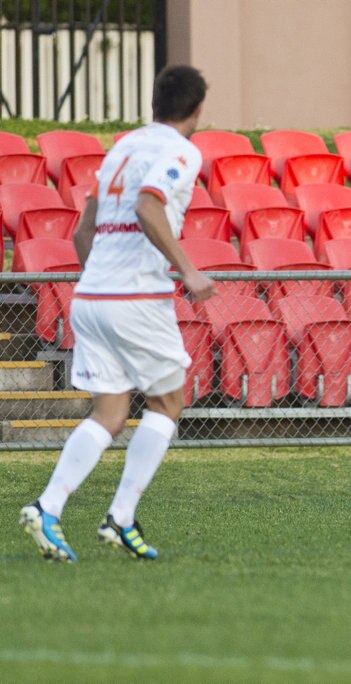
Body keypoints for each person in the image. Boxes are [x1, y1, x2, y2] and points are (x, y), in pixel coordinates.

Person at [19, 65, 215, 561]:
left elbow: (83, 231)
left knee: (109, 413)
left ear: (154, 103)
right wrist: (188, 270)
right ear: (196, 110)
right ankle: (120, 515)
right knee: (169, 404)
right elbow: (151, 206)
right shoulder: (181, 152)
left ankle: (49, 506)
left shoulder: (122, 148)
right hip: (135, 298)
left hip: (92, 296)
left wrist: (99, 281)